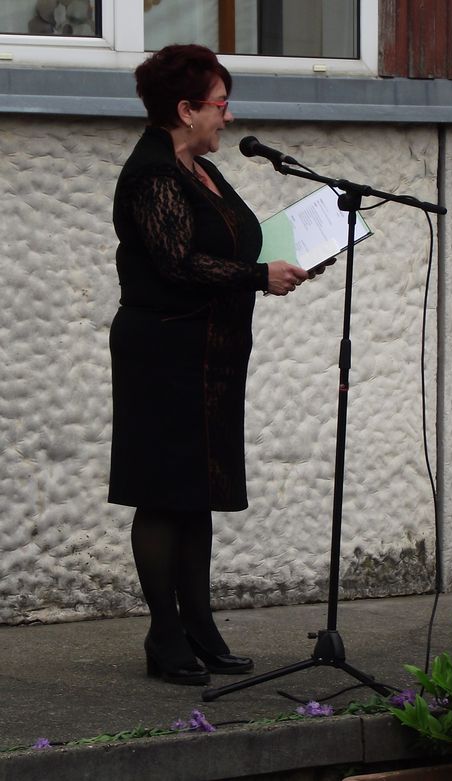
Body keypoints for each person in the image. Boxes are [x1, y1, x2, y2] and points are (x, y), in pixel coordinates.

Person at [108, 44, 309, 685]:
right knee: (162, 493)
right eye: (221, 104)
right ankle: (164, 636)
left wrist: (291, 253)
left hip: (211, 351)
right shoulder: (153, 174)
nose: (229, 116)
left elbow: (232, 242)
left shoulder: (201, 169)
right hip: (164, 351)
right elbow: (176, 262)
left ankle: (200, 627)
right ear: (186, 109)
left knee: (196, 493)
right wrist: (257, 276)